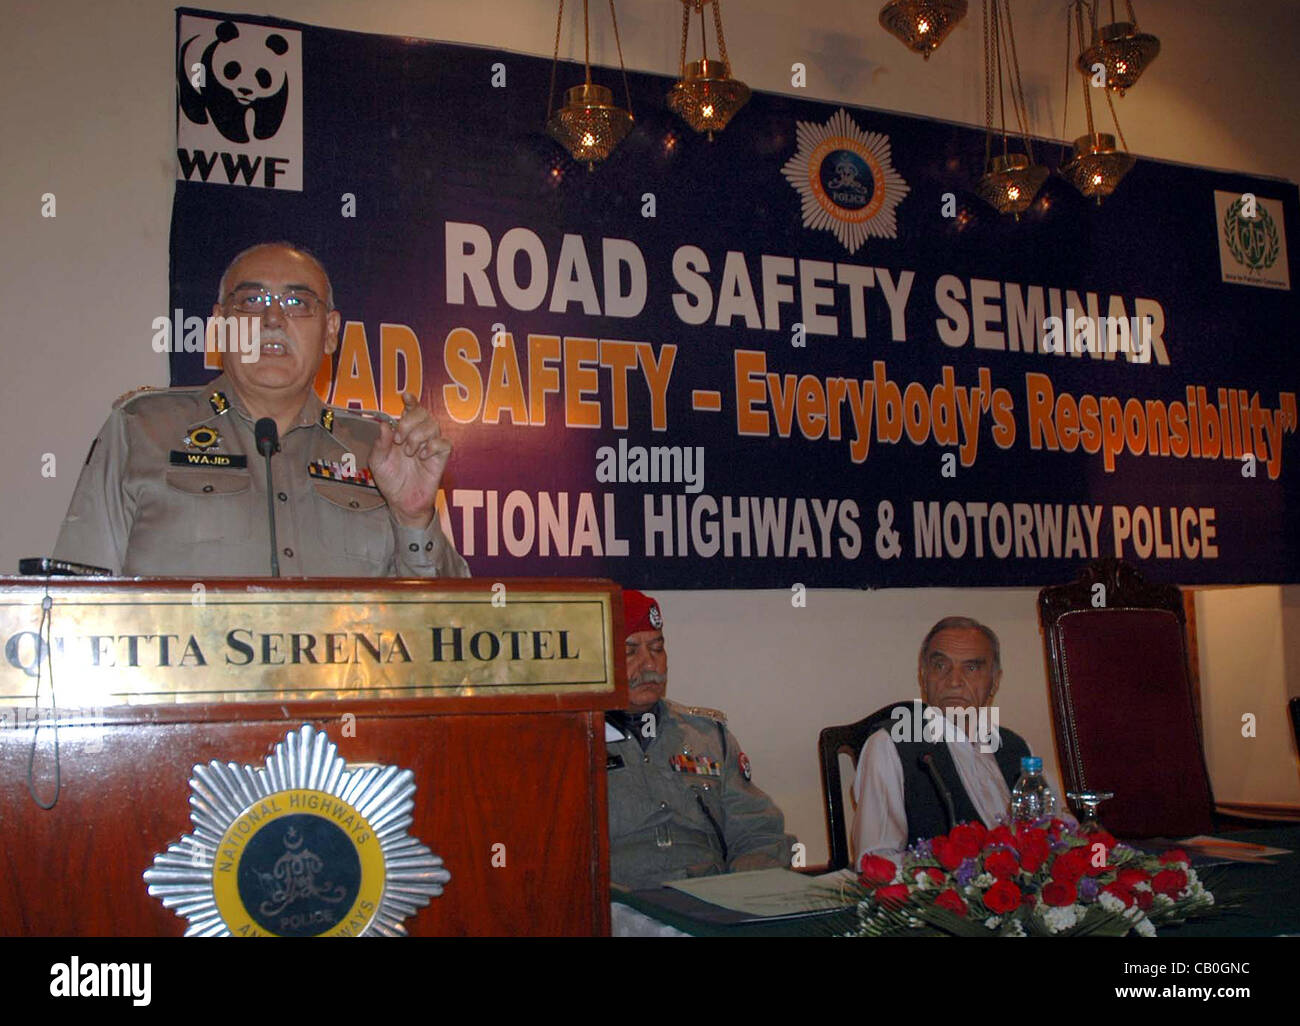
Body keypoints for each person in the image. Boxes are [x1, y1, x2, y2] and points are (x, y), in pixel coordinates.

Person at [53, 242, 468, 578]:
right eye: (251, 302)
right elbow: (76, 605)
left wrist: (413, 516)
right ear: (219, 327)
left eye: (298, 303)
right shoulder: (142, 428)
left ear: (330, 333)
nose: (272, 318)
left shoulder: (382, 448)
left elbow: (449, 629)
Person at [605, 589, 796, 890]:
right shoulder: (572, 746)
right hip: (624, 908)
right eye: (630, 652)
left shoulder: (706, 737)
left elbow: (758, 832)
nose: (650, 665)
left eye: (657, 648)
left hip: (711, 900)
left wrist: (745, 894)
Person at [850, 616, 1040, 863]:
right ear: (923, 675)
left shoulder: (1017, 747)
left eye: (971, 668)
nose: (954, 681)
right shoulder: (889, 746)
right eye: (940, 666)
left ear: (995, 681)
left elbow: (1052, 836)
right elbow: (877, 862)